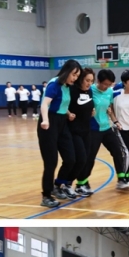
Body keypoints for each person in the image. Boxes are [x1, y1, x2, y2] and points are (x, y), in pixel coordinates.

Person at [78, 69, 129, 192]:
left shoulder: (109, 92)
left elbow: (110, 109)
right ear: (98, 81)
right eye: (104, 84)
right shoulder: (90, 90)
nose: (106, 87)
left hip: (106, 127)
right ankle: (82, 183)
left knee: (118, 151)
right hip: (93, 128)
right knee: (90, 157)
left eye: (109, 84)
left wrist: (115, 121)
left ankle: (121, 179)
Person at [38, 59, 82, 207]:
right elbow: (45, 103)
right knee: (51, 162)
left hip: (62, 123)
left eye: (77, 76)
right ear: (66, 71)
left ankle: (58, 185)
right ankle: (46, 196)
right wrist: (45, 120)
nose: (75, 78)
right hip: (48, 124)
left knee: (70, 158)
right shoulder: (54, 84)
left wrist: (68, 113)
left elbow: (60, 103)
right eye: (74, 74)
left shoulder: (66, 86)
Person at [67, 67, 95, 198]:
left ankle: (79, 186)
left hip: (86, 130)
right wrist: (68, 113)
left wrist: (92, 111)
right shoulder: (72, 90)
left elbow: (89, 105)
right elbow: (63, 105)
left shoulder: (89, 92)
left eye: (91, 81)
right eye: (87, 80)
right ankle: (67, 184)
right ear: (80, 79)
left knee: (86, 159)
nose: (89, 83)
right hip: (74, 130)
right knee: (80, 159)